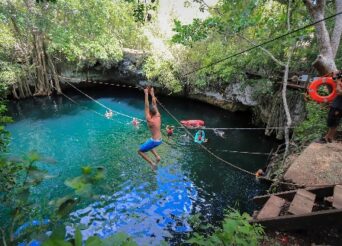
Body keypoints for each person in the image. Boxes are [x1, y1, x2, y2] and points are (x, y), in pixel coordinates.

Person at [138, 87, 162, 171]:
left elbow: (146, 106)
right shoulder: (158, 115)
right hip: (160, 139)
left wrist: (145, 94)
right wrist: (152, 93)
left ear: (150, 113)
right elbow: (154, 104)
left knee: (140, 151)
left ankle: (152, 164)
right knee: (149, 143)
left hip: (154, 141)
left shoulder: (149, 120)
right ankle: (157, 157)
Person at [321, 71, 342, 143]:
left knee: (332, 121)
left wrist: (338, 82)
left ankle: (327, 138)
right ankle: (329, 137)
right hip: (337, 105)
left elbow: (339, 91)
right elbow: (334, 79)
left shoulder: (339, 82)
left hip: (339, 107)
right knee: (334, 122)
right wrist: (336, 75)